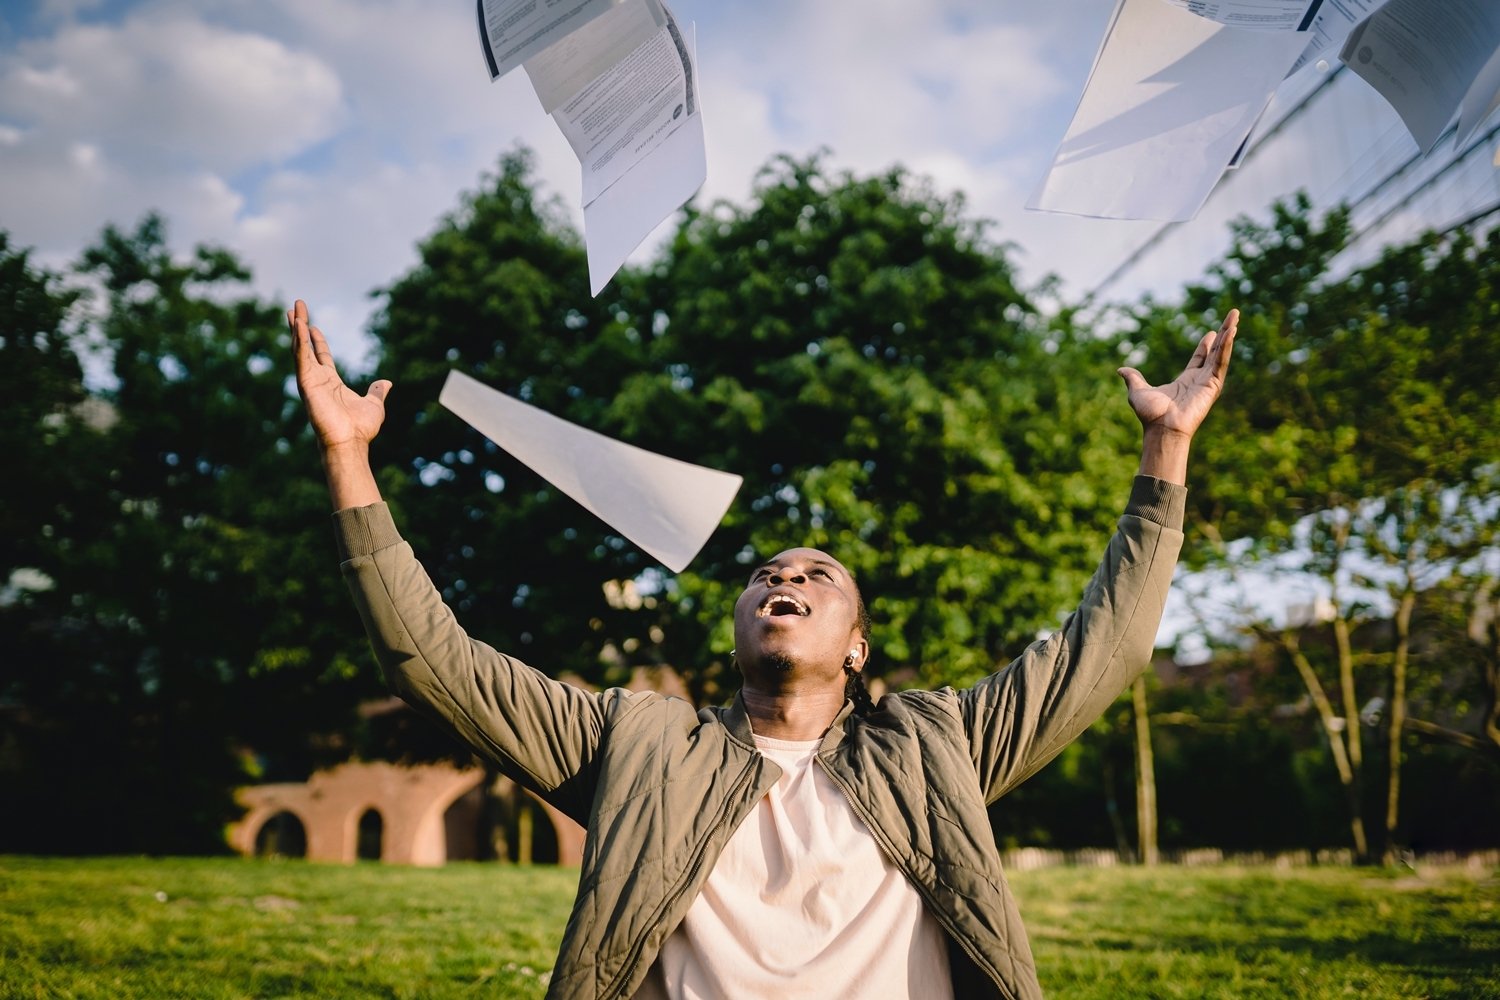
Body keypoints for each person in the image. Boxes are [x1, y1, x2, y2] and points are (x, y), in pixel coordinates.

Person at [289, 299, 1237, 1000]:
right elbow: (429, 658)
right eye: (764, 574)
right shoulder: (641, 744)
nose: (785, 578)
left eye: (819, 575)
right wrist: (348, 458)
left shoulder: (935, 742)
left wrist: (1167, 451)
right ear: (739, 626)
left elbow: (1101, 651)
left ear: (857, 649)